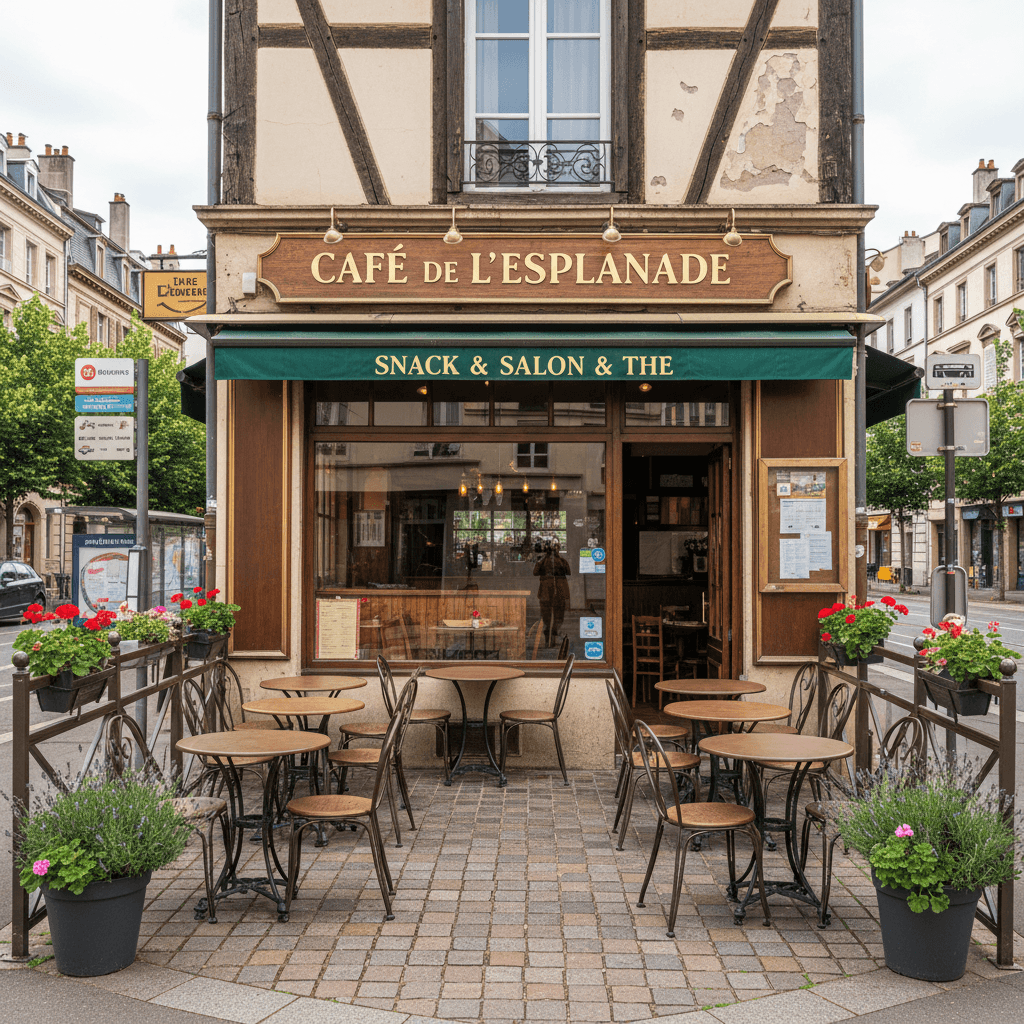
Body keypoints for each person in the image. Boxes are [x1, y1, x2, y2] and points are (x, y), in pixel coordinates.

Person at [534, 542, 571, 646]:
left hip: (558, 592)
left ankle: (553, 635)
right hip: (546, 593)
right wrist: (545, 558)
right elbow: (535, 572)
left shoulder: (560, 561)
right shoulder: (543, 561)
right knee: (547, 617)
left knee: (557, 616)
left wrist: (557, 558)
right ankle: (548, 637)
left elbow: (568, 571)